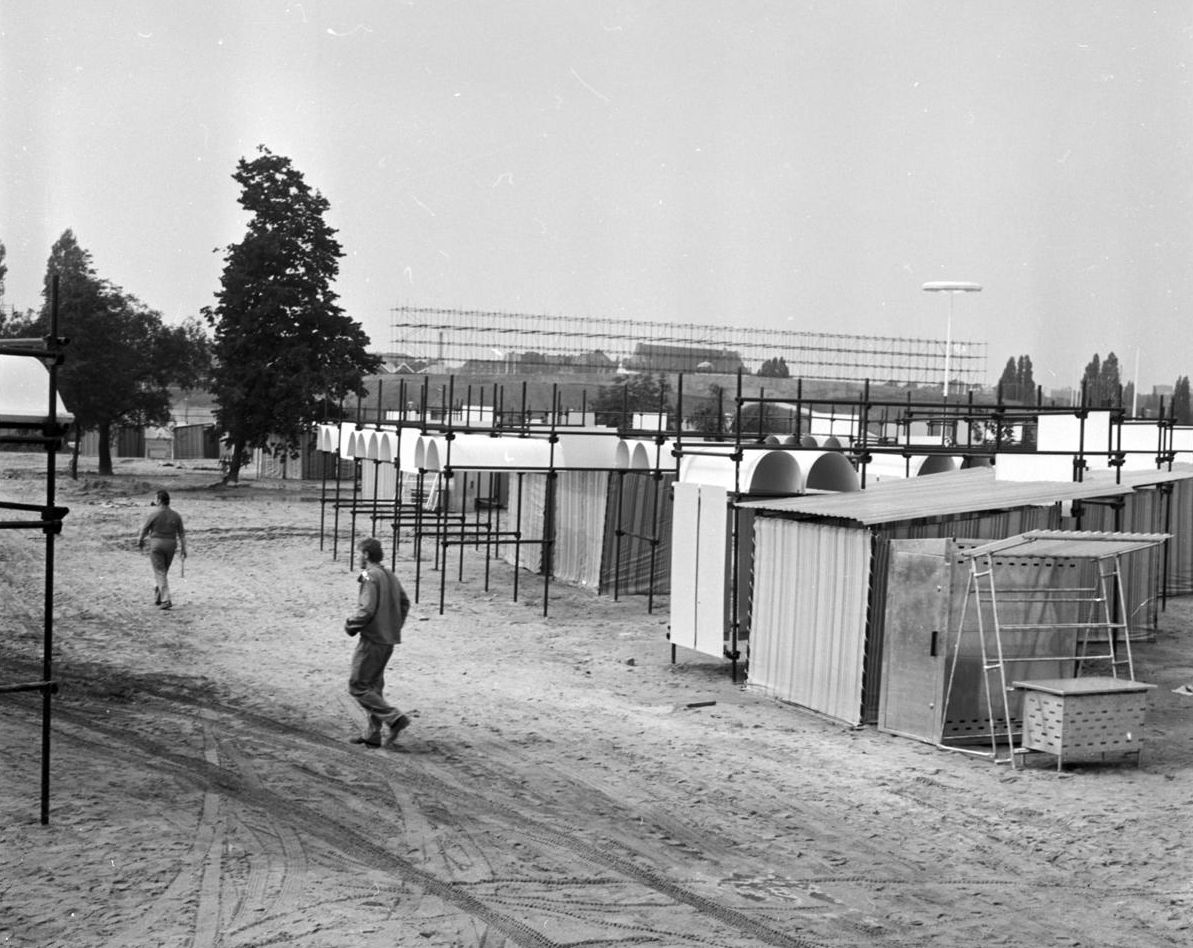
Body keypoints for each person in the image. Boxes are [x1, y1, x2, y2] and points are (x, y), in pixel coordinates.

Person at [345, 537, 411, 747]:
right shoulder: (389, 574)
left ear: (366, 555)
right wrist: (393, 626)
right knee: (373, 685)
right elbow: (404, 602)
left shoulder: (369, 576)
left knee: (358, 686)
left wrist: (352, 625)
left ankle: (394, 718)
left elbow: (366, 609)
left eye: (358, 553)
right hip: (388, 639)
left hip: (373, 639)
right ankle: (372, 733)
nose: (356, 557)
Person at [138, 489, 186, 610]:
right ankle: (158, 597)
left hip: (157, 545)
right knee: (162, 572)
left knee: (160, 572)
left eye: (155, 499)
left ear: (159, 500)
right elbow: (182, 534)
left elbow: (144, 529)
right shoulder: (176, 515)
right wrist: (183, 549)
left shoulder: (154, 514)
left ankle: (165, 599)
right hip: (171, 545)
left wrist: (140, 541)